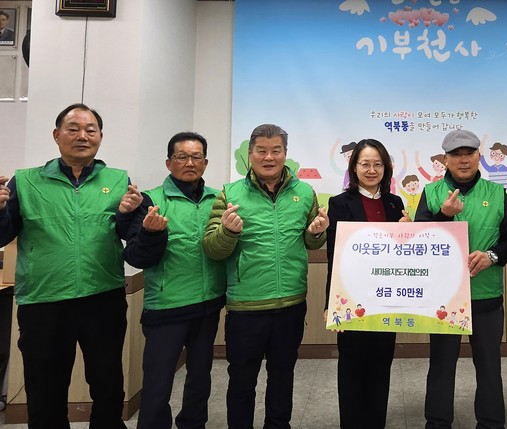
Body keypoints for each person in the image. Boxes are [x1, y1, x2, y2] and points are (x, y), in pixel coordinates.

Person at [0, 103, 143, 429]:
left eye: (91, 130)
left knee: (108, 388)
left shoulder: (118, 180)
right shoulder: (26, 182)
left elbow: (128, 235)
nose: (83, 136)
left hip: (103, 299)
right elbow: (3, 234)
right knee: (44, 392)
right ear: (57, 135)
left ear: (100, 137)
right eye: (73, 129)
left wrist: (132, 216)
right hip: (44, 302)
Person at [202, 123, 328, 429]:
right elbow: (212, 249)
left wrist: (316, 233)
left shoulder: (304, 193)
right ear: (250, 154)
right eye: (261, 151)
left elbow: (312, 242)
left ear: (285, 153)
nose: (269, 157)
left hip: (291, 305)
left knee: (282, 378)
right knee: (242, 381)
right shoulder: (230, 194)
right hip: (246, 306)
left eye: (276, 151)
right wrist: (227, 232)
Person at [117, 132, 226, 429]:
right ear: (169, 162)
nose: (190, 163)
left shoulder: (218, 199)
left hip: (208, 303)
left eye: (196, 157)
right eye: (182, 157)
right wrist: (151, 233)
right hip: (167, 306)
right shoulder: (151, 200)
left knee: (200, 379)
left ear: (205, 162)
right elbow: (136, 257)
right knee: (158, 384)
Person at [415, 129, 507, 429]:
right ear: (445, 159)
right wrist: (444, 216)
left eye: (469, 154)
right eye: (456, 155)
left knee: (489, 366)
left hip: (486, 296)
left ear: (479, 156)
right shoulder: (431, 193)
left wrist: (492, 256)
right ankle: (437, 423)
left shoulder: (496, 193)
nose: (463, 160)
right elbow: (420, 241)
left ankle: (491, 422)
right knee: (441, 366)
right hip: (444, 298)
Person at [324, 138, 410, 429]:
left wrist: (406, 234)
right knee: (351, 370)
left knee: (380, 369)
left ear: (386, 169)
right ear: (354, 168)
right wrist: (330, 304)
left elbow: (401, 256)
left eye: (378, 164)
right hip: (352, 300)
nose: (371, 170)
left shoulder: (395, 203)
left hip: (387, 300)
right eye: (365, 164)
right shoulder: (339, 204)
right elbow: (334, 257)